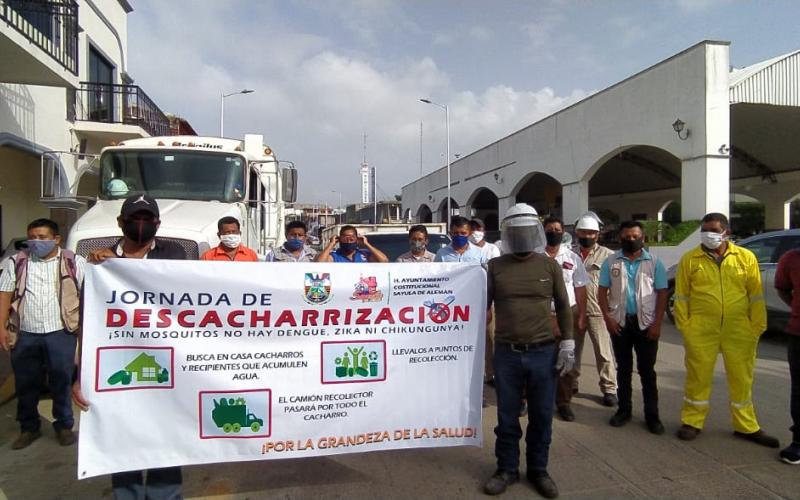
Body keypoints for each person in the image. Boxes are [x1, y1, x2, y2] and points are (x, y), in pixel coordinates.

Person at [73, 194, 185, 499]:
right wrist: (79, 374)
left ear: (157, 224)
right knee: (122, 439)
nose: (141, 224)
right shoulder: (100, 265)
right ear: (120, 222)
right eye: (135, 217)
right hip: (118, 365)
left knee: (165, 439)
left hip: (166, 367)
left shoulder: (175, 255)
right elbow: (89, 323)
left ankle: (167, 495)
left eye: (147, 219)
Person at [484, 203, 573, 498]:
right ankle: (506, 469)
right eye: (516, 231)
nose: (522, 236)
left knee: (541, 416)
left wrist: (568, 342)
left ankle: (538, 470)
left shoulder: (549, 266)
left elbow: (562, 305)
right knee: (507, 417)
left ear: (534, 231)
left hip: (542, 352)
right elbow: (480, 307)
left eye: (526, 230)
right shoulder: (495, 267)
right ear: (508, 233)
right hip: (507, 353)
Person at [674, 212, 779, 447]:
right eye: (704, 230)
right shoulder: (690, 259)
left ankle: (746, 426)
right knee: (697, 377)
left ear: (726, 232)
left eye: (712, 230)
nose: (707, 235)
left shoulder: (745, 258)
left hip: (739, 329)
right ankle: (692, 421)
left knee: (742, 378)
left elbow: (755, 295)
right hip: (701, 329)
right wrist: (686, 326)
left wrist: (757, 327)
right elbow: (681, 296)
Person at [0, 218, 85, 450]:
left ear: (56, 239)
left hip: (61, 332)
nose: (36, 242)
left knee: (61, 379)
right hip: (25, 333)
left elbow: (88, 294)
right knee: (26, 383)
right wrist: (1, 328)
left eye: (42, 237)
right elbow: (5, 295)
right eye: (32, 237)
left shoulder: (74, 262)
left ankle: (64, 425)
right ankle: (29, 427)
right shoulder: (16, 262)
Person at [598, 220, 667, 434]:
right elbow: (602, 291)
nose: (631, 239)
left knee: (647, 371)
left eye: (635, 236)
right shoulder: (611, 261)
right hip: (620, 323)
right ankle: (624, 410)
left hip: (646, 324)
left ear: (642, 237)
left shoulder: (655, 263)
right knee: (624, 369)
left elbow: (662, 293)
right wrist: (608, 319)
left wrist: (657, 323)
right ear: (621, 238)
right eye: (627, 236)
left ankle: (652, 416)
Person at [539, 216, 588, 422]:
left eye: (558, 229)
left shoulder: (572, 258)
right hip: (541, 315)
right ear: (543, 232)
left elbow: (580, 288)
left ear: (563, 232)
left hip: (567, 313)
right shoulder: (535, 256)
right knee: (537, 359)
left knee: (567, 359)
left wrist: (581, 315)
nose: (554, 232)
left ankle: (564, 402)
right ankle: (531, 399)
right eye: (550, 229)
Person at [573, 213, 618, 407]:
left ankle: (609, 388)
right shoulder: (569, 254)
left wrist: (612, 311)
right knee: (572, 351)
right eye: (584, 232)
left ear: (597, 235)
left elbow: (617, 285)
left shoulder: (608, 256)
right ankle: (570, 384)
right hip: (574, 309)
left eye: (591, 233)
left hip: (598, 311)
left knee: (603, 352)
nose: (587, 236)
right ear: (577, 233)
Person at [775, 245, 800, 464]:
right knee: (799, 389)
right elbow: (782, 288)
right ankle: (798, 441)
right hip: (798, 333)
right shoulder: (791, 258)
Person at [316, 225, 389, 263]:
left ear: (357, 239)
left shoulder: (365, 254)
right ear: (339, 239)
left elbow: (384, 260)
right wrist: (331, 244)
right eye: (345, 239)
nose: (348, 242)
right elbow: (320, 263)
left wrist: (367, 244)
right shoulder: (334, 256)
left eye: (351, 239)